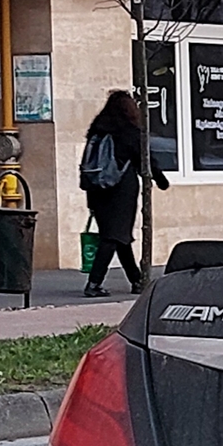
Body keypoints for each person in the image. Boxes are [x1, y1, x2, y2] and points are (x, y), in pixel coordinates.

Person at [78, 90, 168, 296]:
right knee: (112, 238)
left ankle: (137, 280)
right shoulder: (129, 132)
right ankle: (93, 284)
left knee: (120, 237)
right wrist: (161, 180)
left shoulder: (97, 131)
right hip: (121, 191)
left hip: (97, 190)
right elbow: (144, 158)